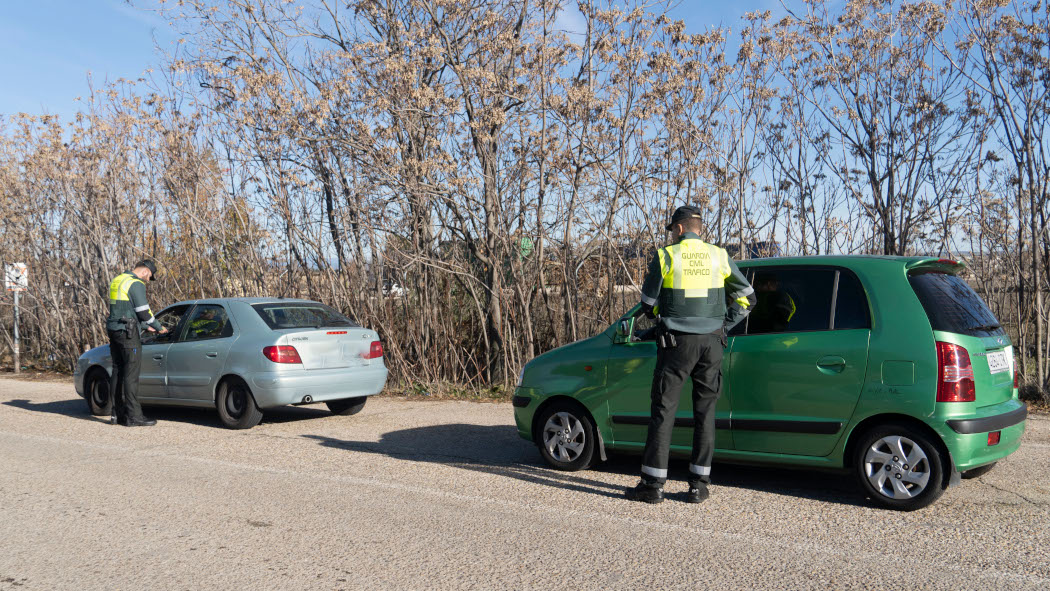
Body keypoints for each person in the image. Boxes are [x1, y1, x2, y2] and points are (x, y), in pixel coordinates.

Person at [625, 206, 757, 504]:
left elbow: (647, 304)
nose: (671, 234)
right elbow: (749, 298)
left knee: (664, 411)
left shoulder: (667, 256)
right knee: (705, 413)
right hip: (711, 343)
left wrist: (663, 315)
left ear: (680, 229)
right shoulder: (719, 256)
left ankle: (652, 485)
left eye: (672, 230)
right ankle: (699, 485)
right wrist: (724, 323)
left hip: (676, 343)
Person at [105, 260, 168, 427]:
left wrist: (145, 326)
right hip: (128, 333)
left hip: (114, 330)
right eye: (149, 277)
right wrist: (158, 327)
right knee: (131, 374)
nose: (148, 281)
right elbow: (143, 311)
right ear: (146, 272)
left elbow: (123, 309)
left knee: (117, 371)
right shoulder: (136, 283)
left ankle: (116, 414)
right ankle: (134, 417)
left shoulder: (118, 279)